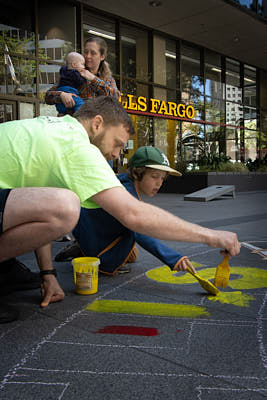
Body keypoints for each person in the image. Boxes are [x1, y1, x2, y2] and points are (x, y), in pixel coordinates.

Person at [0, 96, 240, 324]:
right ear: (97, 123)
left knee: (59, 203)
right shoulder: (77, 146)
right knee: (66, 207)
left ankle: (6, 267)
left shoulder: (54, 129)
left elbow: (40, 213)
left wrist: (48, 274)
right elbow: (133, 215)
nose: (116, 154)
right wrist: (211, 236)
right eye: (117, 144)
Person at [55, 146, 196, 276]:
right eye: (154, 176)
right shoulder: (127, 191)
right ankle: (92, 254)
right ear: (136, 172)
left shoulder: (120, 181)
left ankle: (81, 248)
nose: (159, 183)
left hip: (89, 229)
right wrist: (174, 258)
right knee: (133, 232)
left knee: (132, 255)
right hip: (95, 238)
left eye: (163, 178)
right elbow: (141, 231)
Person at [45, 36, 120, 115]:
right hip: (72, 124)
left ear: (102, 57)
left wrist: (93, 79)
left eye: (93, 53)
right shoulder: (72, 73)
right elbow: (47, 97)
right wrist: (61, 95)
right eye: (86, 52)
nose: (88, 56)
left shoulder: (108, 79)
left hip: (96, 124)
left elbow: (116, 98)